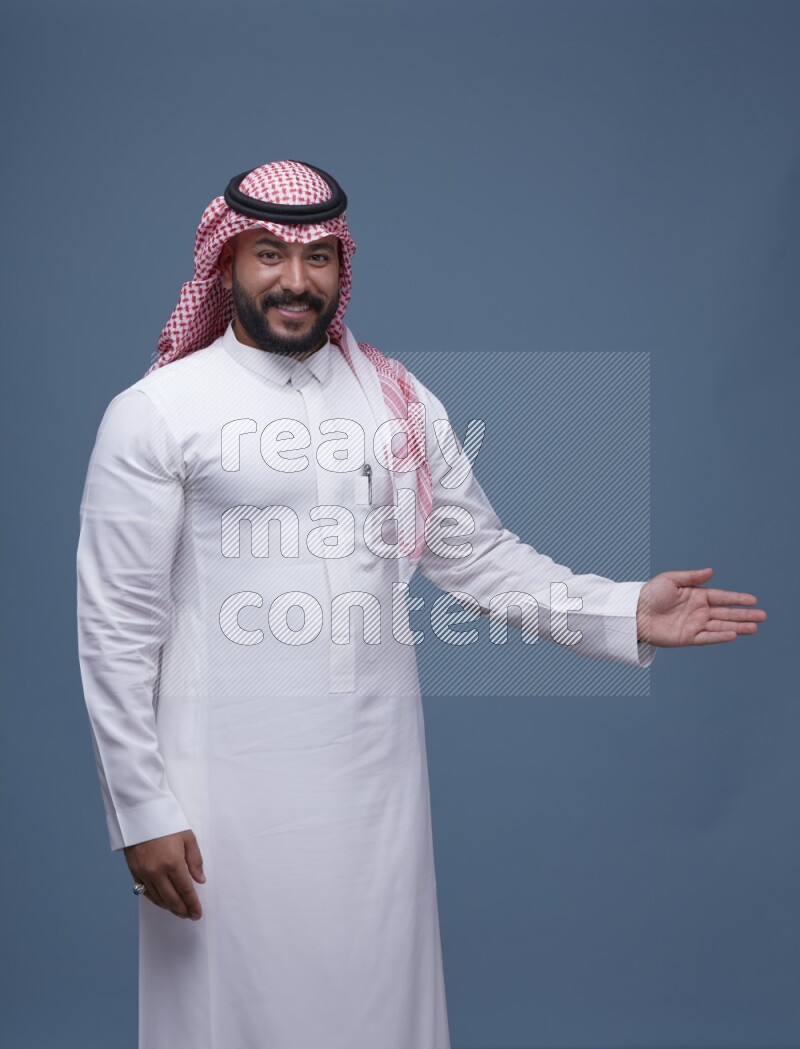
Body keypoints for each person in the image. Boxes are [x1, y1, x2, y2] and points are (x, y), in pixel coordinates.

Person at [76, 160, 766, 1049]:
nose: (296, 281)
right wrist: (141, 809)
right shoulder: (156, 413)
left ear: (342, 265)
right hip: (222, 793)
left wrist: (623, 608)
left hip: (375, 784)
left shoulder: (394, 399)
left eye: (320, 257)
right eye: (269, 257)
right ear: (225, 264)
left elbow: (477, 555)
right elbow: (115, 627)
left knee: (377, 1012)